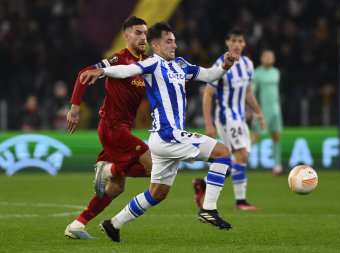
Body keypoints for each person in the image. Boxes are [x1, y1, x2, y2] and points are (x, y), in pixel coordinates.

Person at [80, 22, 238, 242]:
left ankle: (113, 224)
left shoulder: (181, 65)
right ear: (155, 45)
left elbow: (209, 75)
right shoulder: (152, 64)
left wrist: (225, 67)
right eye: (169, 41)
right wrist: (103, 71)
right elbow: (127, 70)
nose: (174, 45)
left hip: (161, 140)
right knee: (223, 152)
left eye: (174, 40)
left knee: (158, 193)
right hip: (168, 134)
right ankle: (208, 209)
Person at [64, 16, 152, 239]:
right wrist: (74, 109)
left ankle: (77, 225)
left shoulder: (145, 62)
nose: (143, 37)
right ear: (126, 36)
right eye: (138, 32)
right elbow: (83, 74)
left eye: (145, 33)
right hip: (113, 127)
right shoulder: (117, 59)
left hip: (122, 129)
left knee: (115, 188)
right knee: (154, 167)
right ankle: (109, 170)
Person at [193, 28, 266, 211]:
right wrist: (209, 124)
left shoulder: (248, 64)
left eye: (240, 41)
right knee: (241, 155)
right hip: (226, 117)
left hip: (240, 117)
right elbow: (208, 95)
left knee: (233, 158)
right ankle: (240, 202)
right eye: (233, 40)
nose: (237, 44)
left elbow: (248, 93)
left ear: (245, 44)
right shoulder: (220, 64)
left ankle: (203, 183)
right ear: (227, 42)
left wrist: (259, 113)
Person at [251, 49, 283, 175]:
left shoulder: (276, 72)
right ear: (262, 58)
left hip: (276, 110)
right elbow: (252, 92)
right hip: (263, 110)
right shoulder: (257, 73)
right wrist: (254, 110)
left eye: (271, 56)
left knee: (277, 136)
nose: (269, 58)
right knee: (256, 136)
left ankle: (277, 166)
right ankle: (237, 161)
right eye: (267, 56)